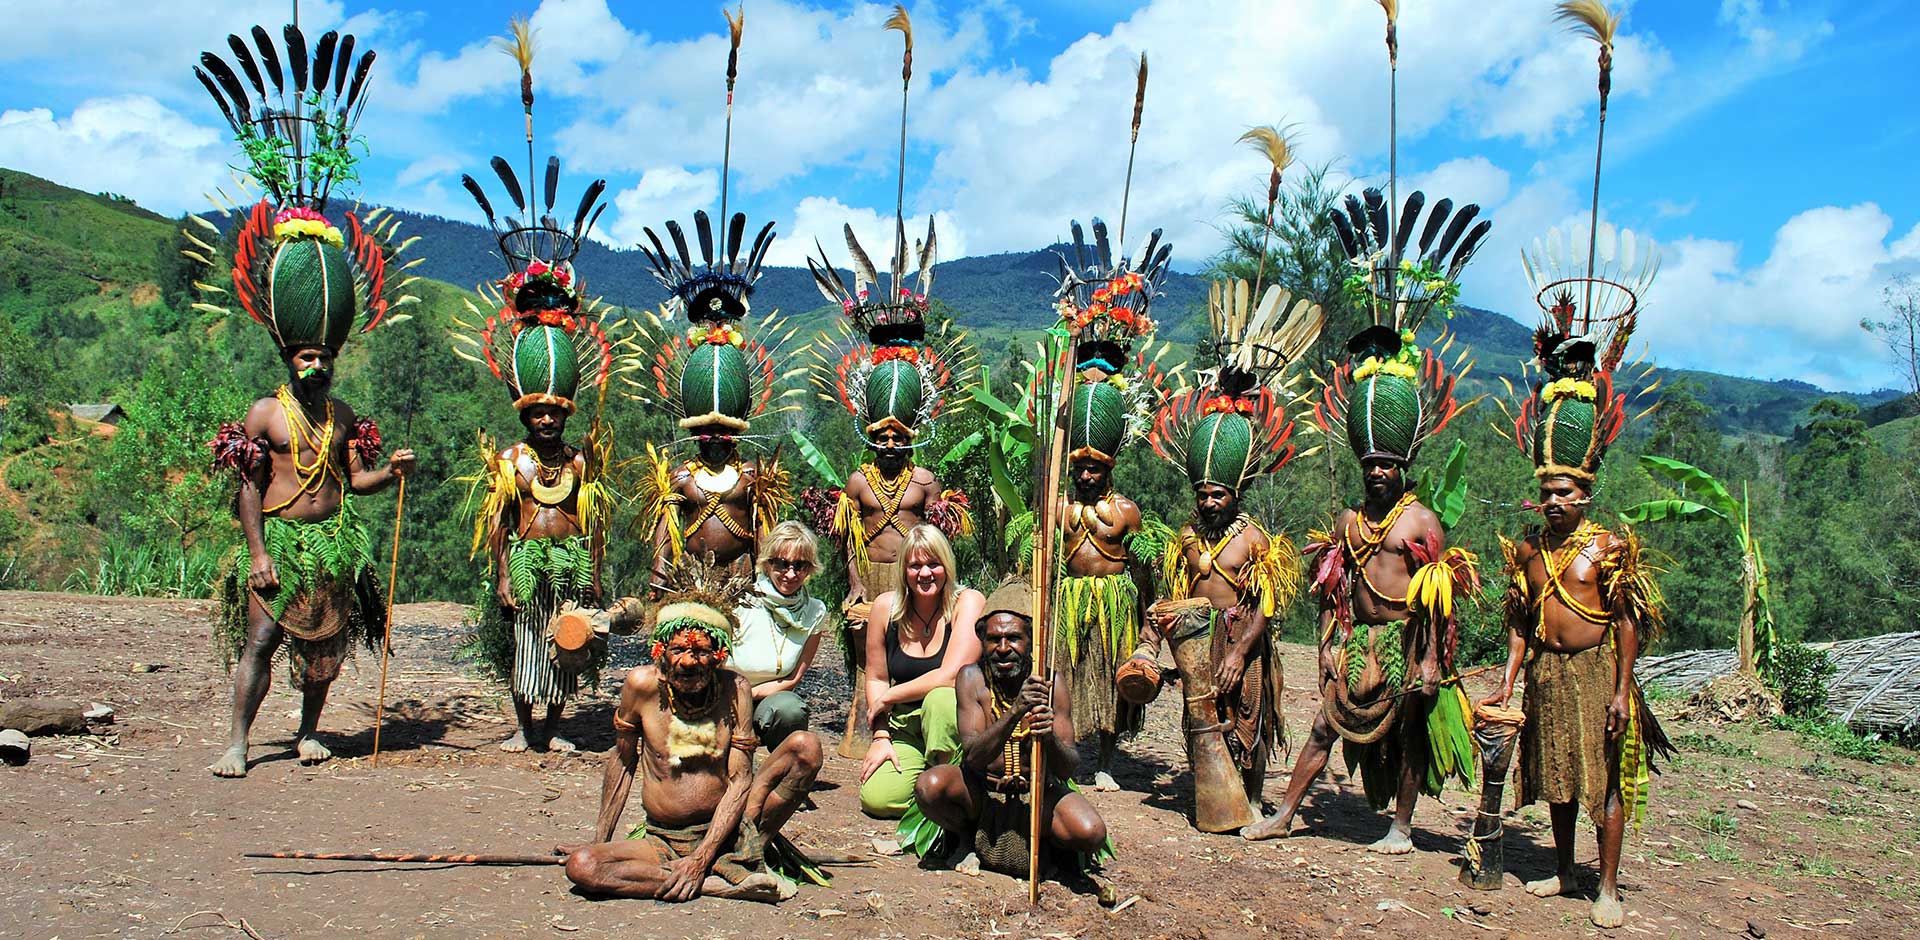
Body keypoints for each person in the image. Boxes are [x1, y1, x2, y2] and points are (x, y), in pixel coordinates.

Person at [194, 20, 416, 777]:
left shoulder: (343, 417)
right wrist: (258, 551)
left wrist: (392, 473)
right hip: (284, 543)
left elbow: (351, 482)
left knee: (325, 649)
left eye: (324, 353)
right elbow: (250, 489)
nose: (315, 362)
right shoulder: (266, 413)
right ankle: (238, 741)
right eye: (305, 353)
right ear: (290, 352)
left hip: (333, 541)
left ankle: (310, 731)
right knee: (263, 640)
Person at [1248, 322, 1482, 848]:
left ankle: (1400, 829)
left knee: (1408, 739)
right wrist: (1329, 645)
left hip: (1405, 642)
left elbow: (1439, 603)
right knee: (1322, 728)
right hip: (1358, 647)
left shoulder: (1422, 523)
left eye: (1387, 465)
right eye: (1371, 463)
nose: (1377, 471)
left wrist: (1429, 662)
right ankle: (1285, 815)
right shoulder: (1347, 522)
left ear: (1403, 467)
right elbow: (1333, 591)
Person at [1483, 329, 1673, 928]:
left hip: (1595, 676)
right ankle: (1564, 870)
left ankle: (1608, 887)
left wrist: (1622, 690)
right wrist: (1511, 683)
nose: (1554, 500)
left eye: (1564, 491)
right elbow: (1519, 625)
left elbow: (1625, 623)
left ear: (1586, 494)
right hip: (1547, 673)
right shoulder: (1529, 553)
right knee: (1558, 777)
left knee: (1604, 782)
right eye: (1545, 492)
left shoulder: (1609, 549)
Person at [1130, 278, 1321, 832]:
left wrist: (1241, 650)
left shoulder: (1254, 539)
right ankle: (1213, 795)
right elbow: (1174, 592)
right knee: (1202, 718)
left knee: (1248, 718)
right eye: (1203, 493)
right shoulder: (1187, 536)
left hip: (1244, 638)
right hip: (1197, 641)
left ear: (1236, 491)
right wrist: (1154, 635)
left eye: (1218, 494)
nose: (1209, 501)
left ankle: (1255, 797)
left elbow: (1268, 603)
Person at [454, 138, 617, 753]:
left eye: (555, 411)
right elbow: (499, 521)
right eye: (539, 411)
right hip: (525, 558)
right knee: (526, 642)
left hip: (570, 558)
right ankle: (527, 732)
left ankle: (557, 729)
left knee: (564, 642)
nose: (547, 420)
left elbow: (593, 521)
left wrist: (595, 574)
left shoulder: (580, 461)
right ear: (525, 410)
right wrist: (500, 572)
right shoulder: (511, 461)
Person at [810, 199, 975, 761]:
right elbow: (850, 538)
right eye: (878, 437)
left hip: (915, 578)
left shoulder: (925, 481)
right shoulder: (857, 481)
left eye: (895, 437)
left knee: (915, 655)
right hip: (874, 576)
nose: (887, 445)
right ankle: (863, 732)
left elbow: (938, 539)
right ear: (867, 435)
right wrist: (856, 585)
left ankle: (912, 731)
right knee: (868, 655)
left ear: (910, 435)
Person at [556, 562, 822, 903]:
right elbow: (622, 763)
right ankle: (715, 883)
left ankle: (729, 859)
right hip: (662, 841)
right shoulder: (641, 687)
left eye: (700, 651)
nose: (688, 661)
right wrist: (600, 842)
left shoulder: (734, 688)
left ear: (719, 656)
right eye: (678, 650)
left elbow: (740, 781)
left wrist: (702, 855)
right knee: (584, 866)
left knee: (806, 746)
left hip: (733, 827)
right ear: (660, 653)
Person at [1029, 220, 1175, 791]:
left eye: (1097, 466)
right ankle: (1070, 754)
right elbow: (1041, 553)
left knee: (1111, 679)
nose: (1088, 472)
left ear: (1111, 465)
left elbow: (1144, 567)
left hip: (1114, 599)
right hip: (1068, 597)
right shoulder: (1057, 505)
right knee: (1068, 674)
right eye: (1081, 465)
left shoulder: (1130, 512)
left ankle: (1109, 762)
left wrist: (1145, 624)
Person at [909, 577, 1112, 895]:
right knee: (929, 786)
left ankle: (1050, 851)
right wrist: (1015, 712)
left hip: (1037, 797)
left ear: (1030, 640)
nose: (1003, 649)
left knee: (1091, 831)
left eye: (1013, 638)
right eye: (994, 639)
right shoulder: (972, 679)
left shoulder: (1051, 683)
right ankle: (965, 839)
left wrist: (1049, 739)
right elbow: (974, 755)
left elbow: (1069, 766)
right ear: (982, 640)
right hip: (982, 793)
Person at [630, 206, 793, 591]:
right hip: (689, 576)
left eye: (724, 430)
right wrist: (658, 573)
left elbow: (763, 530)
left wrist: (768, 579)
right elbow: (665, 531)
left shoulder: (753, 476)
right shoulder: (681, 477)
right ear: (696, 431)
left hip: (742, 581)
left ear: (737, 432)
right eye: (708, 431)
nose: (717, 438)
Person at [856, 525, 984, 818]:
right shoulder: (885, 608)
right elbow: (875, 676)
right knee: (878, 800)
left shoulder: (968, 602)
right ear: (904, 569)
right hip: (905, 725)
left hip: (953, 723)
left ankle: (951, 787)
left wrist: (890, 696)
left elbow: (951, 675)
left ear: (947, 566)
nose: (925, 573)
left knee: (939, 698)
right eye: (915, 565)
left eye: (933, 564)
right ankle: (929, 796)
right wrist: (880, 736)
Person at [730, 521, 831, 752]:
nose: (791, 573)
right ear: (768, 564)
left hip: (769, 701)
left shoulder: (815, 612)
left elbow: (793, 679)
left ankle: (779, 777)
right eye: (782, 564)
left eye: (800, 565)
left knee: (791, 710)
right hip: (727, 697)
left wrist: (751, 695)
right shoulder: (741, 601)